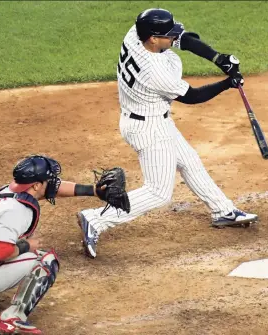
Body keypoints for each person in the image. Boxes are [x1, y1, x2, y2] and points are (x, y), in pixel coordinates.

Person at [77, 8, 258, 259]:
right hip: (148, 128)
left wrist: (218, 58)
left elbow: (185, 38)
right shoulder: (155, 72)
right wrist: (228, 83)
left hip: (150, 118)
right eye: (168, 36)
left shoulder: (135, 33)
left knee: (189, 160)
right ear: (153, 38)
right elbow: (193, 97)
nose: (174, 38)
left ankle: (222, 211)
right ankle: (96, 219)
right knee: (158, 192)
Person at [0, 155, 129, 335]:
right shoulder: (18, 211)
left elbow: (52, 189)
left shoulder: (8, 191)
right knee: (44, 259)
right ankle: (13, 319)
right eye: (49, 179)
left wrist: (94, 191)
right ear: (36, 185)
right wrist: (26, 246)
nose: (54, 182)